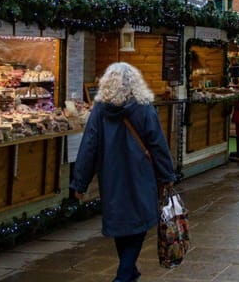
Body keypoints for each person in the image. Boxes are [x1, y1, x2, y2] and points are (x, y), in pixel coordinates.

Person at [70, 62, 176, 282]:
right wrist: (167, 175)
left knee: (122, 224)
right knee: (138, 224)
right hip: (140, 175)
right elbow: (157, 144)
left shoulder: (99, 110)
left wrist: (80, 183)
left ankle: (130, 271)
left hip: (112, 177)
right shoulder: (144, 107)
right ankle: (123, 274)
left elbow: (89, 146)